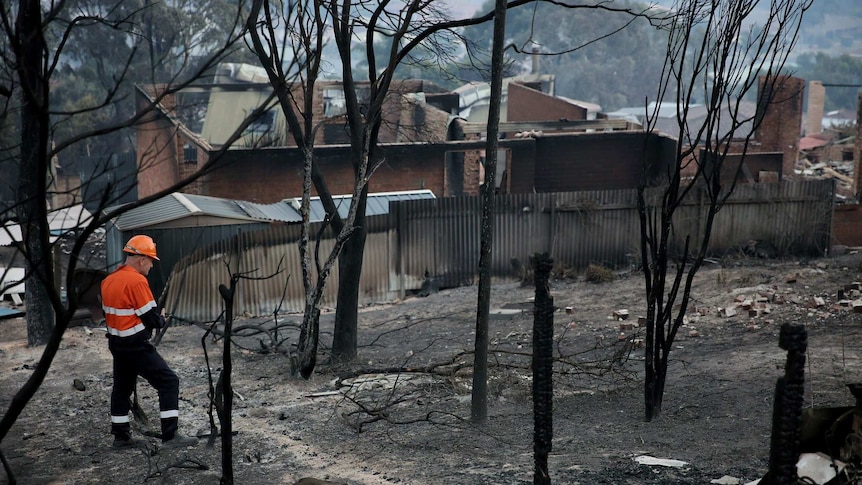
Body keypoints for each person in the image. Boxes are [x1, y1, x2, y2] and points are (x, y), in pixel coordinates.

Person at [100, 235, 198, 449]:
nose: (152, 265)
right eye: (151, 261)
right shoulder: (136, 280)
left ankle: (121, 437)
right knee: (169, 381)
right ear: (141, 259)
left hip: (117, 344)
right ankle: (171, 436)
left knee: (122, 388)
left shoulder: (109, 280)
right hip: (136, 346)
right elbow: (151, 318)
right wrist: (162, 318)